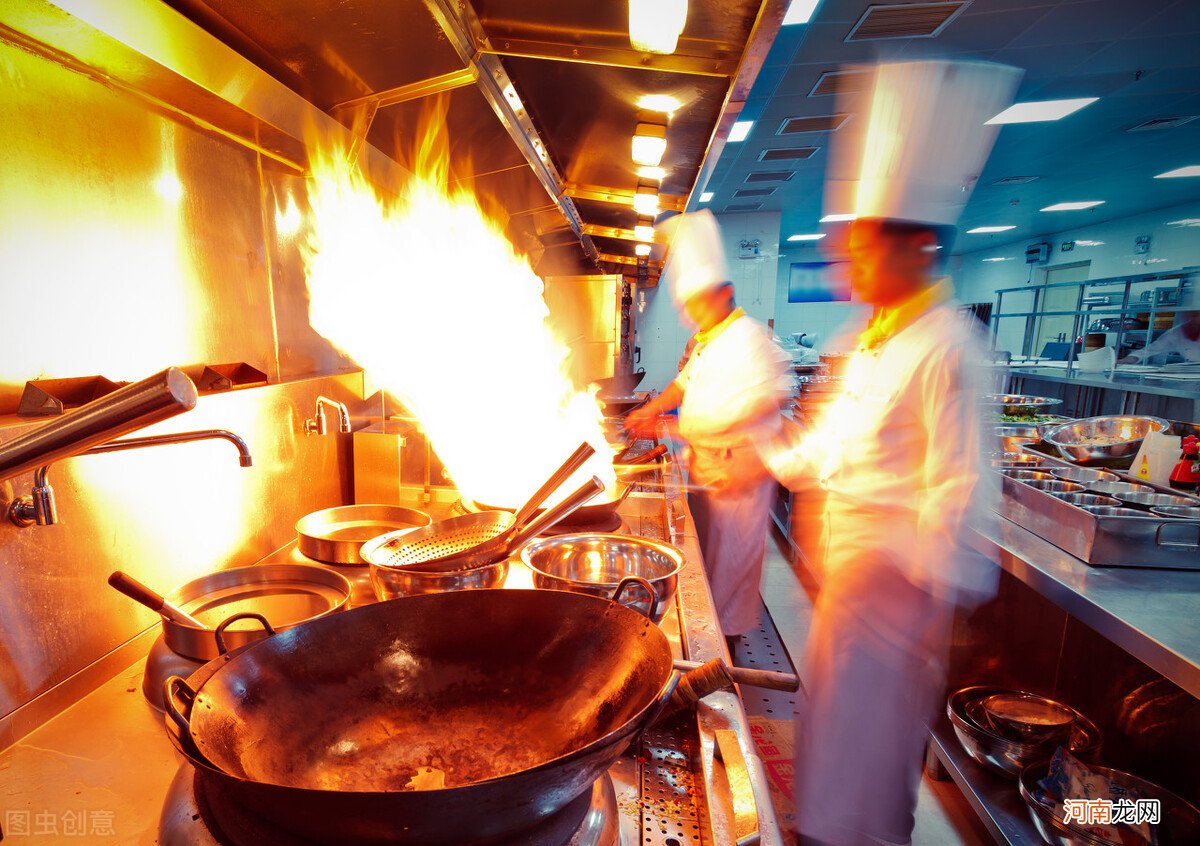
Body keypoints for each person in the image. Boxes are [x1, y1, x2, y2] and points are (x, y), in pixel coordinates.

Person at [758, 217, 997, 846]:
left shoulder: (949, 345)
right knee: (831, 739)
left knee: (874, 763)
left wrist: (920, 585)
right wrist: (770, 446)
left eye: (864, 252)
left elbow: (958, 487)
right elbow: (834, 447)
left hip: (896, 603)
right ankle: (818, 833)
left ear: (916, 247)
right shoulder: (873, 339)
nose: (851, 267)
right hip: (848, 593)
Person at [626, 211, 791, 639]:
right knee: (707, 573)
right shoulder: (708, 339)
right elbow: (683, 385)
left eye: (696, 304)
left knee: (729, 580)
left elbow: (763, 400)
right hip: (708, 473)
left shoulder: (752, 342)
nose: (689, 316)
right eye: (687, 306)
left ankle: (724, 657)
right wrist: (652, 411)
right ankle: (711, 636)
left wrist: (665, 428)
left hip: (739, 481)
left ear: (726, 293)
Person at [1117, 291, 1200, 364]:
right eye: (1190, 314)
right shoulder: (1176, 333)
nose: (1192, 318)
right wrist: (1125, 360)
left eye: (1196, 314)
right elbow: (1148, 351)